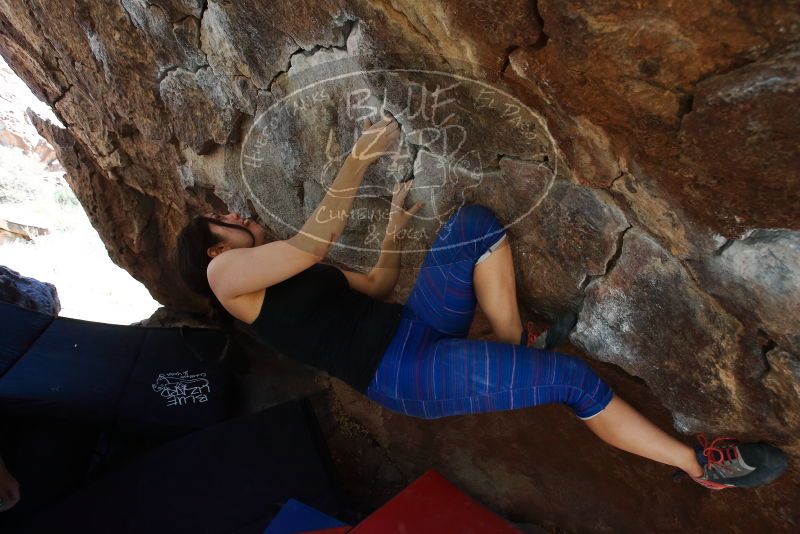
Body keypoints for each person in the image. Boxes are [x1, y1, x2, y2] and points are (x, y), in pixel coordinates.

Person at [177, 115, 787, 490]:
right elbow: (317, 241)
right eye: (221, 220)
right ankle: (698, 466)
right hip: (404, 373)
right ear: (212, 252)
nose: (235, 216)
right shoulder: (228, 280)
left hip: (412, 327)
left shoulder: (276, 268)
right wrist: (358, 161)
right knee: (572, 380)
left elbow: (374, 289)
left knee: (473, 225)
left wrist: (392, 229)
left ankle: (512, 333)